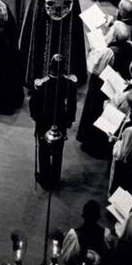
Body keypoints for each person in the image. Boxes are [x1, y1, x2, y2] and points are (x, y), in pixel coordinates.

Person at [30, 53, 78, 189]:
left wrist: (36, 117)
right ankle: (55, 177)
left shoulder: (42, 84)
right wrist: (69, 120)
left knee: (43, 149)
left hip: (44, 119)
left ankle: (45, 178)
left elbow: (34, 104)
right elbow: (72, 105)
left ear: (50, 67)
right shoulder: (69, 83)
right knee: (58, 150)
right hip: (60, 119)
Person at [61, 200, 115, 265]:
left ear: (84, 216)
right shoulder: (106, 234)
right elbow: (111, 261)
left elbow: (68, 263)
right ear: (98, 217)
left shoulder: (74, 235)